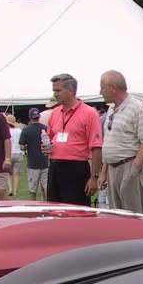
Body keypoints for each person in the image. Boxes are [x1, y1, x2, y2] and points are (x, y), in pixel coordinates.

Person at [98, 70, 143, 214]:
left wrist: (133, 171)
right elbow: (109, 142)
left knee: (134, 215)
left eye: (102, 87)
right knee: (116, 216)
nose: (100, 92)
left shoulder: (137, 108)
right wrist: (104, 173)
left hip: (129, 166)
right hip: (112, 169)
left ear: (113, 88)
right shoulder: (111, 110)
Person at [47, 72, 102, 206]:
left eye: (58, 90)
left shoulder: (89, 113)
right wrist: (45, 147)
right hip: (54, 167)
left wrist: (94, 177)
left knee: (76, 212)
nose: (55, 94)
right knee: (53, 210)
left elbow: (96, 146)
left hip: (75, 170)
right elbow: (50, 138)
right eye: (54, 90)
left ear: (70, 90)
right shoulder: (54, 113)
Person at [20, 107, 49, 200]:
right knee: (46, 185)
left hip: (32, 162)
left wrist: (29, 146)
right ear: (39, 116)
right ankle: (47, 202)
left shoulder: (26, 130)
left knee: (33, 188)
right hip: (45, 161)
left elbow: (22, 146)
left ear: (29, 117)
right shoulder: (45, 128)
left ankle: (34, 204)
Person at [6, 114, 25, 198]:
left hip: (9, 154)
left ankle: (10, 189)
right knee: (16, 174)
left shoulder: (6, 131)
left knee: (9, 174)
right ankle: (15, 191)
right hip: (18, 153)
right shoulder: (19, 131)